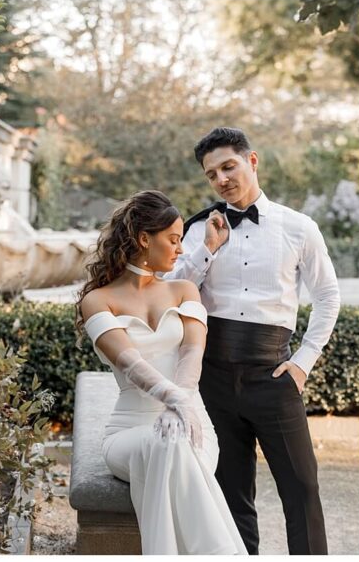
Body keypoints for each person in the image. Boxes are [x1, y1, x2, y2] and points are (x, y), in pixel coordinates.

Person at [165, 127, 341, 554]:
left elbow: (328, 296)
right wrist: (207, 249)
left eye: (229, 166)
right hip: (214, 378)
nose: (222, 179)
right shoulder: (196, 230)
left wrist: (302, 363)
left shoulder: (299, 227)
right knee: (229, 493)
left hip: (273, 374)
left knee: (302, 486)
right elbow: (171, 293)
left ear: (252, 161)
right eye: (212, 174)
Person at [77, 190, 247, 554]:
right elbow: (128, 362)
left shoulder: (184, 289)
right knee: (166, 444)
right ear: (143, 239)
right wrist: (171, 397)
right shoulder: (97, 299)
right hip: (128, 433)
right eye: (173, 239)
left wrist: (181, 404)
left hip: (193, 426)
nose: (181, 249)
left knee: (174, 442)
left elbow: (192, 350)